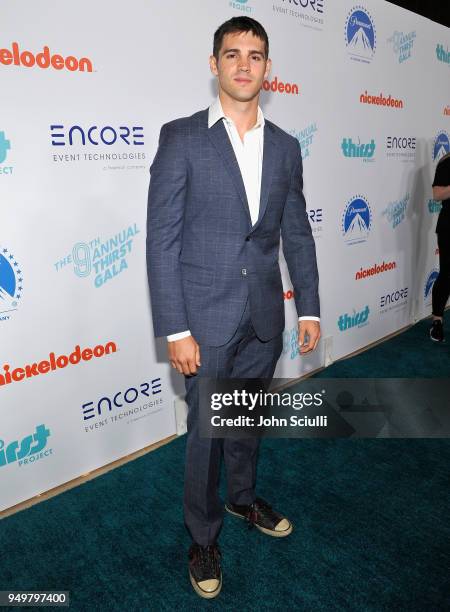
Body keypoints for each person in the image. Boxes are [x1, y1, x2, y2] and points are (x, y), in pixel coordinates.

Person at [146, 16, 320, 599]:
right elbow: (162, 239)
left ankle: (243, 500)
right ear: (214, 63)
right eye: (232, 54)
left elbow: (296, 234)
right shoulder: (182, 137)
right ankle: (202, 536)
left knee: (245, 421)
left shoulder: (288, 148)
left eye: (255, 55)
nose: (244, 64)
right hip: (205, 319)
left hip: (264, 318)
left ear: (269, 69)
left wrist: (312, 310)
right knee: (207, 434)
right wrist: (175, 326)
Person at [430, 151, 450, 342]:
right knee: (447, 274)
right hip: (448, 228)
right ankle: (437, 321)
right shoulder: (446, 163)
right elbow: (437, 194)